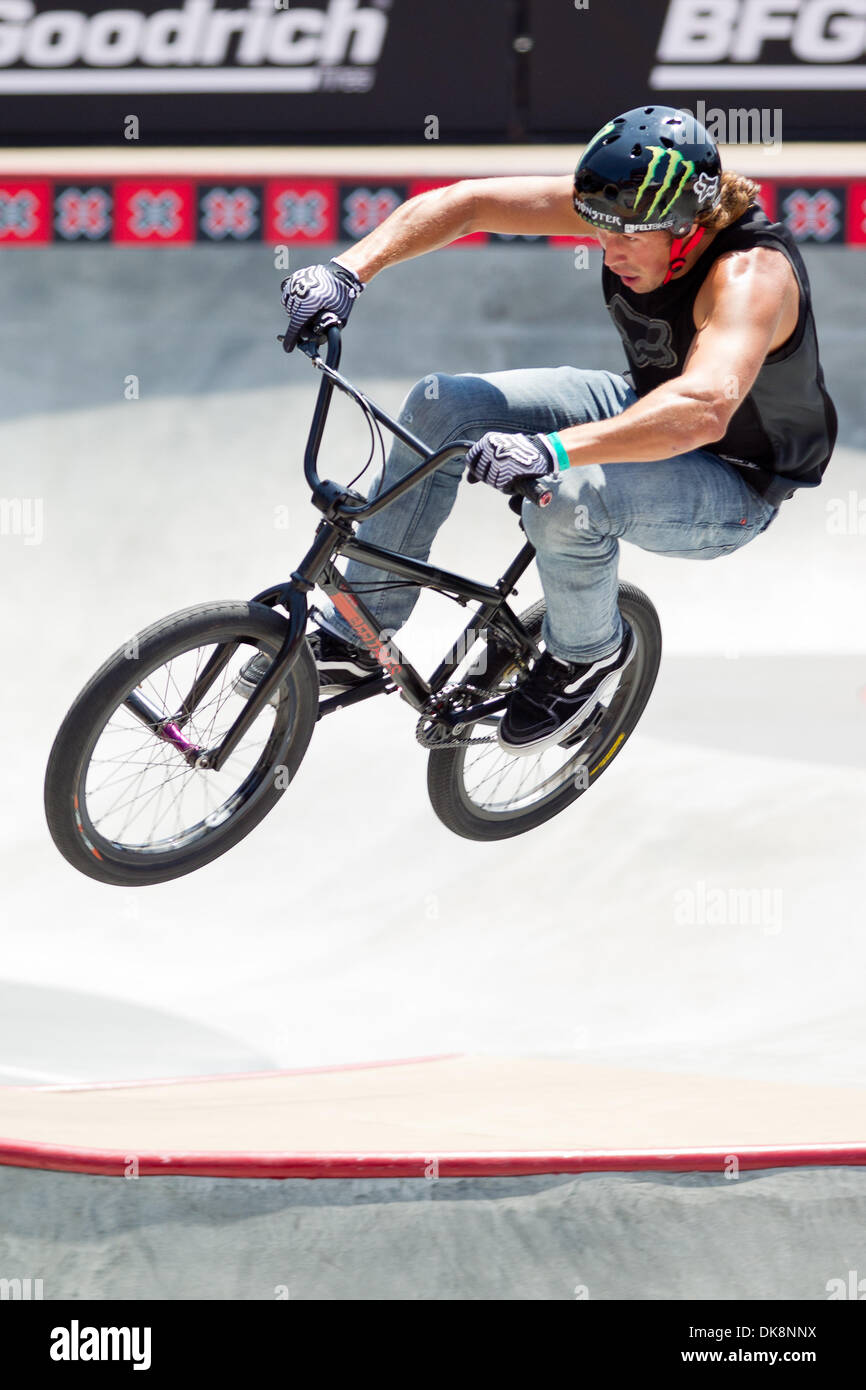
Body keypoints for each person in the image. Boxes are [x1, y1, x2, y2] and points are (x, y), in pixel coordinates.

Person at [241, 105, 836, 756]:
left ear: (685, 225)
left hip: (733, 483)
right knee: (442, 404)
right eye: (603, 231)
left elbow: (703, 407)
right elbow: (468, 204)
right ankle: (361, 632)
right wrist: (348, 270)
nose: (611, 250)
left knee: (566, 498)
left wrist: (552, 451)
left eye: (631, 238)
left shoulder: (750, 275)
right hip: (640, 405)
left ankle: (587, 657)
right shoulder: (622, 209)